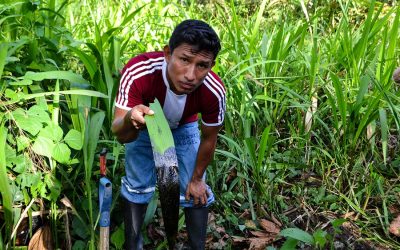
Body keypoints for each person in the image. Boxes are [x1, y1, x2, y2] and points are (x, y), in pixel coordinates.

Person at [111, 19, 225, 250]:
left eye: (202, 65)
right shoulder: (139, 71)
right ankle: (133, 245)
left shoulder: (213, 90)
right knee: (137, 184)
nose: (191, 75)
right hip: (144, 122)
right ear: (167, 54)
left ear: (211, 65)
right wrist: (131, 119)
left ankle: (196, 246)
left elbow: (209, 137)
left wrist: (195, 179)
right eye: (184, 60)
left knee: (196, 190)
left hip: (185, 126)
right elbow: (120, 133)